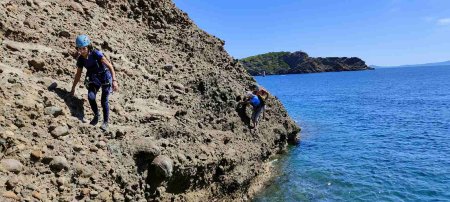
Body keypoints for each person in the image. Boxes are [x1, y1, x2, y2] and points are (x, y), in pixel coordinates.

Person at [70, 34, 119, 131]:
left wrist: (114, 80)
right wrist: (73, 88)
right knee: (91, 97)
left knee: (103, 100)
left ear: (88, 46)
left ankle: (105, 122)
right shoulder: (81, 59)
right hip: (93, 78)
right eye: (79, 49)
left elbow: (110, 66)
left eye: (83, 48)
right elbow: (78, 75)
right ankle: (96, 115)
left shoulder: (96, 53)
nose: (81, 51)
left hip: (104, 76)